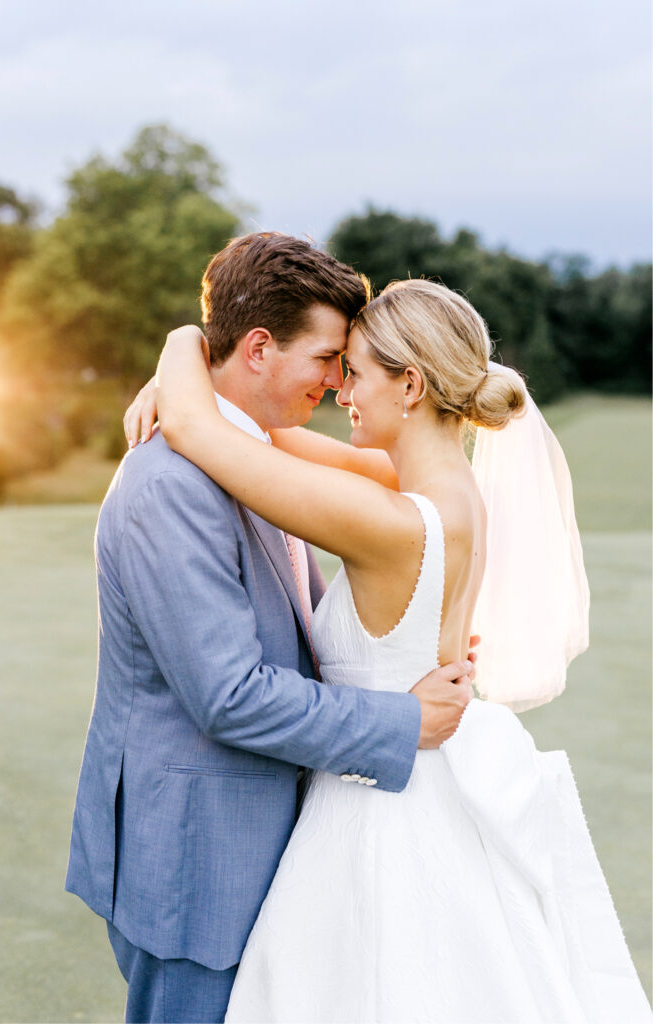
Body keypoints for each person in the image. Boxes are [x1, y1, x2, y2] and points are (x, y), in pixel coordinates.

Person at [136, 277, 652, 1022]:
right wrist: (207, 378)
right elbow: (263, 430)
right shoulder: (444, 488)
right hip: (429, 774)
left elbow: (200, 431)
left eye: (354, 373)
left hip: (377, 808)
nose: (339, 392)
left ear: (409, 384)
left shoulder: (391, 522)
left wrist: (186, 342)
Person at [65, 233, 478, 1024]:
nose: (337, 380)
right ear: (258, 348)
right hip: (196, 861)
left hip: (274, 845)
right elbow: (227, 696)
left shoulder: (257, 460)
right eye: (328, 358)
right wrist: (404, 716)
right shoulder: (171, 485)